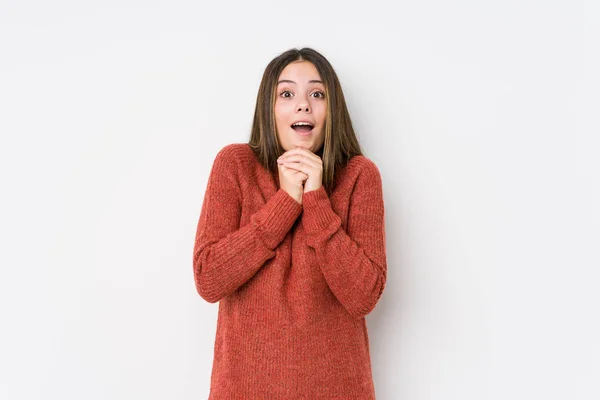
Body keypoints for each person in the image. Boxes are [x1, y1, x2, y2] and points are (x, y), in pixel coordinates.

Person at [192, 47, 387, 399]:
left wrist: (315, 201)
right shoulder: (234, 165)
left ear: (332, 111)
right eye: (286, 94)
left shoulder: (360, 176)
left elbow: (363, 297)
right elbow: (209, 278)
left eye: (317, 93)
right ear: (269, 110)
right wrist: (285, 202)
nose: (303, 105)